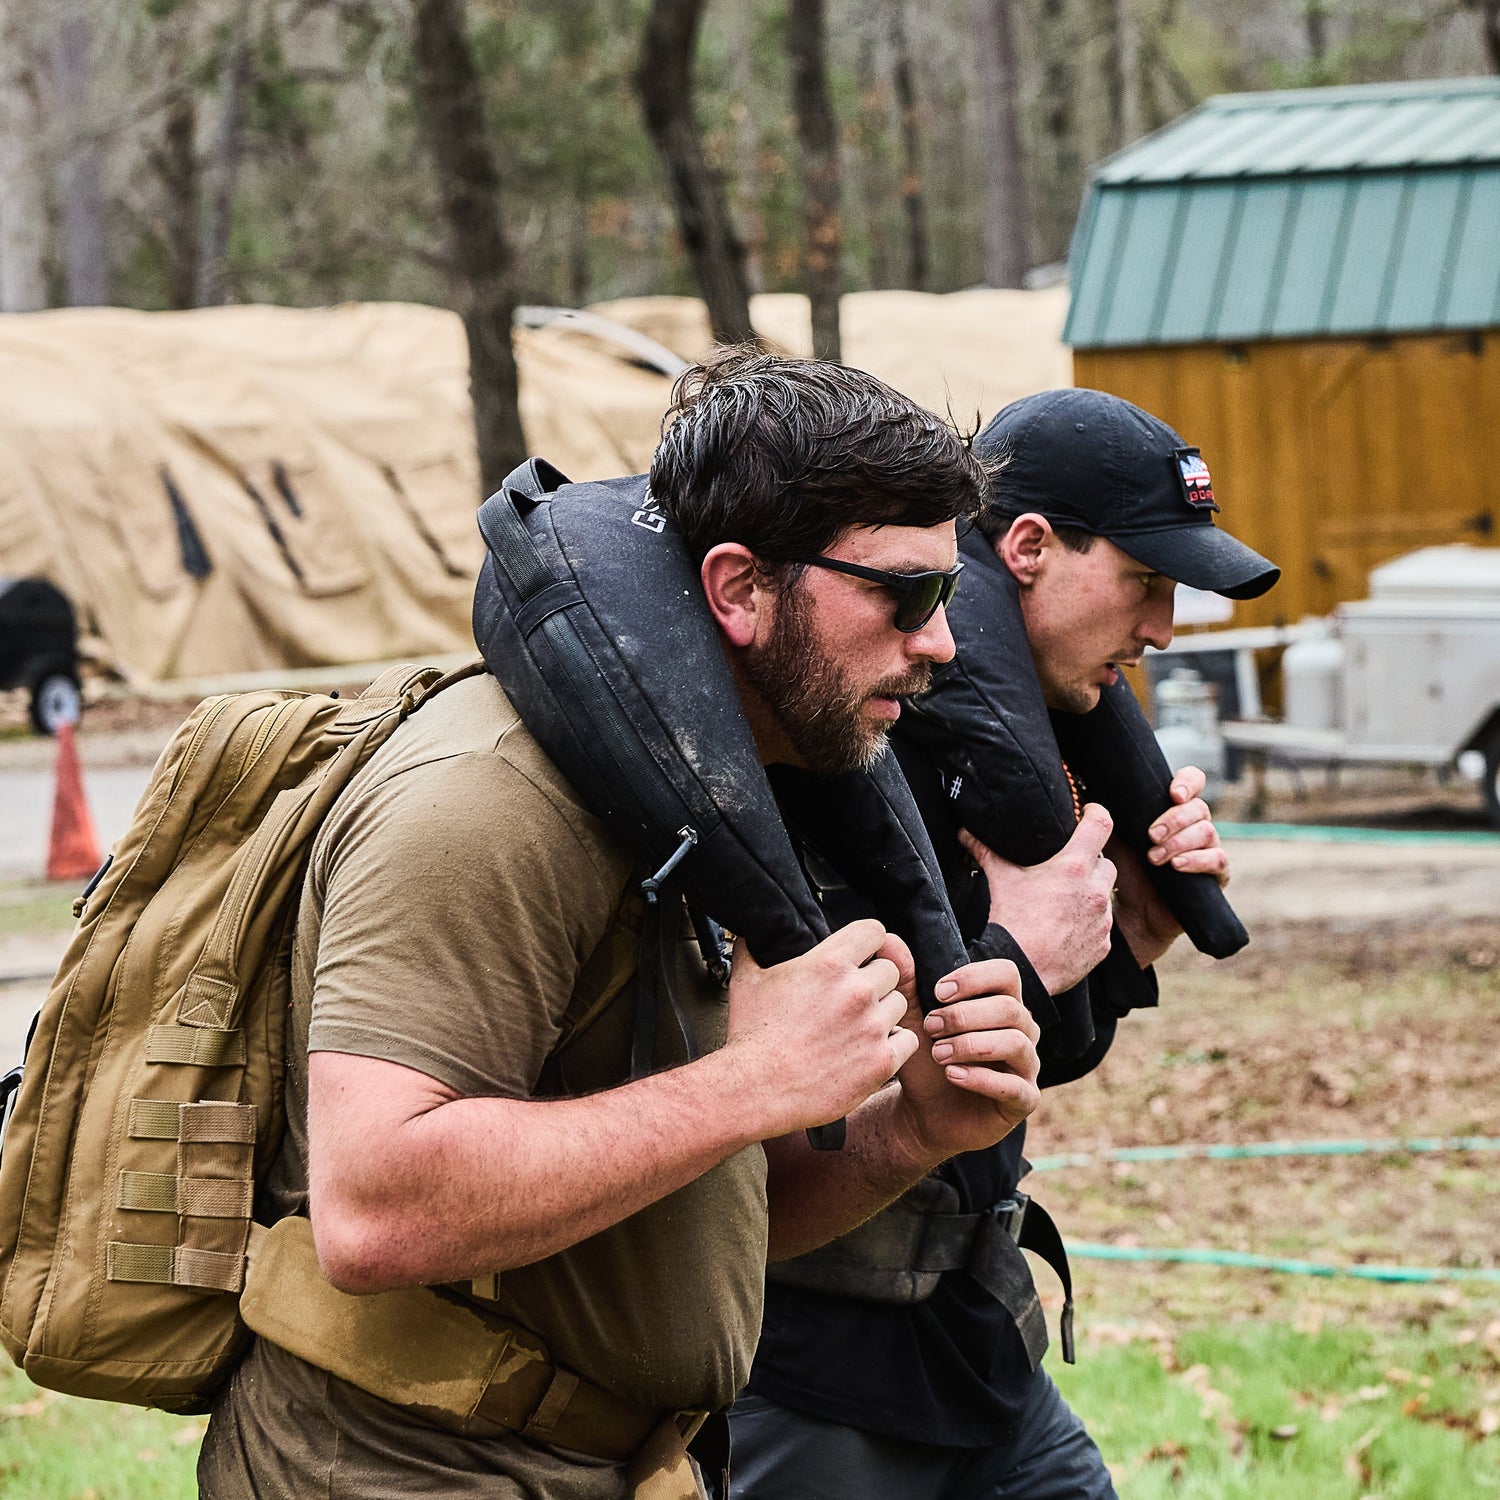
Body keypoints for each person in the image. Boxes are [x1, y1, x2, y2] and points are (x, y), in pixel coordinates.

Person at [197, 350, 1044, 1500]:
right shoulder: (489, 800)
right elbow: (375, 1208)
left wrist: (913, 1129)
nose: (941, 641)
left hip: (605, 1463)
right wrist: (756, 1080)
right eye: (905, 594)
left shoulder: (702, 792)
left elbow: (683, 1210)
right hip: (402, 1473)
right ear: (740, 588)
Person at [733, 388, 1280, 1499]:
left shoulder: (1028, 759)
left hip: (979, 1345)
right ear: (1027, 549)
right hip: (820, 1377)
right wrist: (1021, 950)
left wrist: (1135, 934)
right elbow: (822, 1091)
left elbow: (1026, 1072)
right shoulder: (844, 753)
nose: (1165, 627)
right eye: (1145, 581)